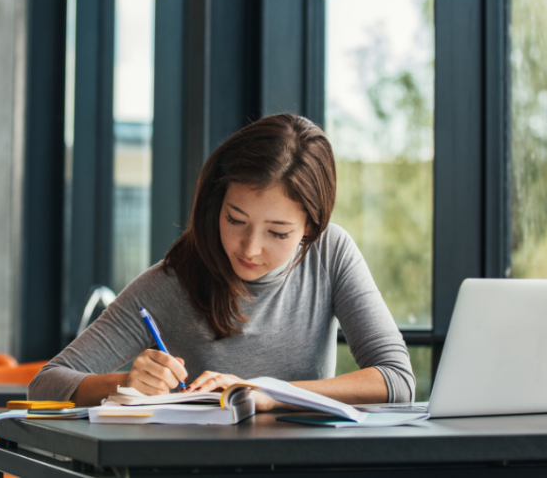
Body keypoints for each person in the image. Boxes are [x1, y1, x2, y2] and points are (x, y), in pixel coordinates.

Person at [28, 113, 415, 409]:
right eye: (235, 220)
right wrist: (125, 382)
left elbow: (396, 380)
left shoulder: (330, 253)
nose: (249, 248)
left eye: (277, 233)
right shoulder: (173, 281)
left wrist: (265, 392)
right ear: (216, 204)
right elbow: (45, 384)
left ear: (310, 229)